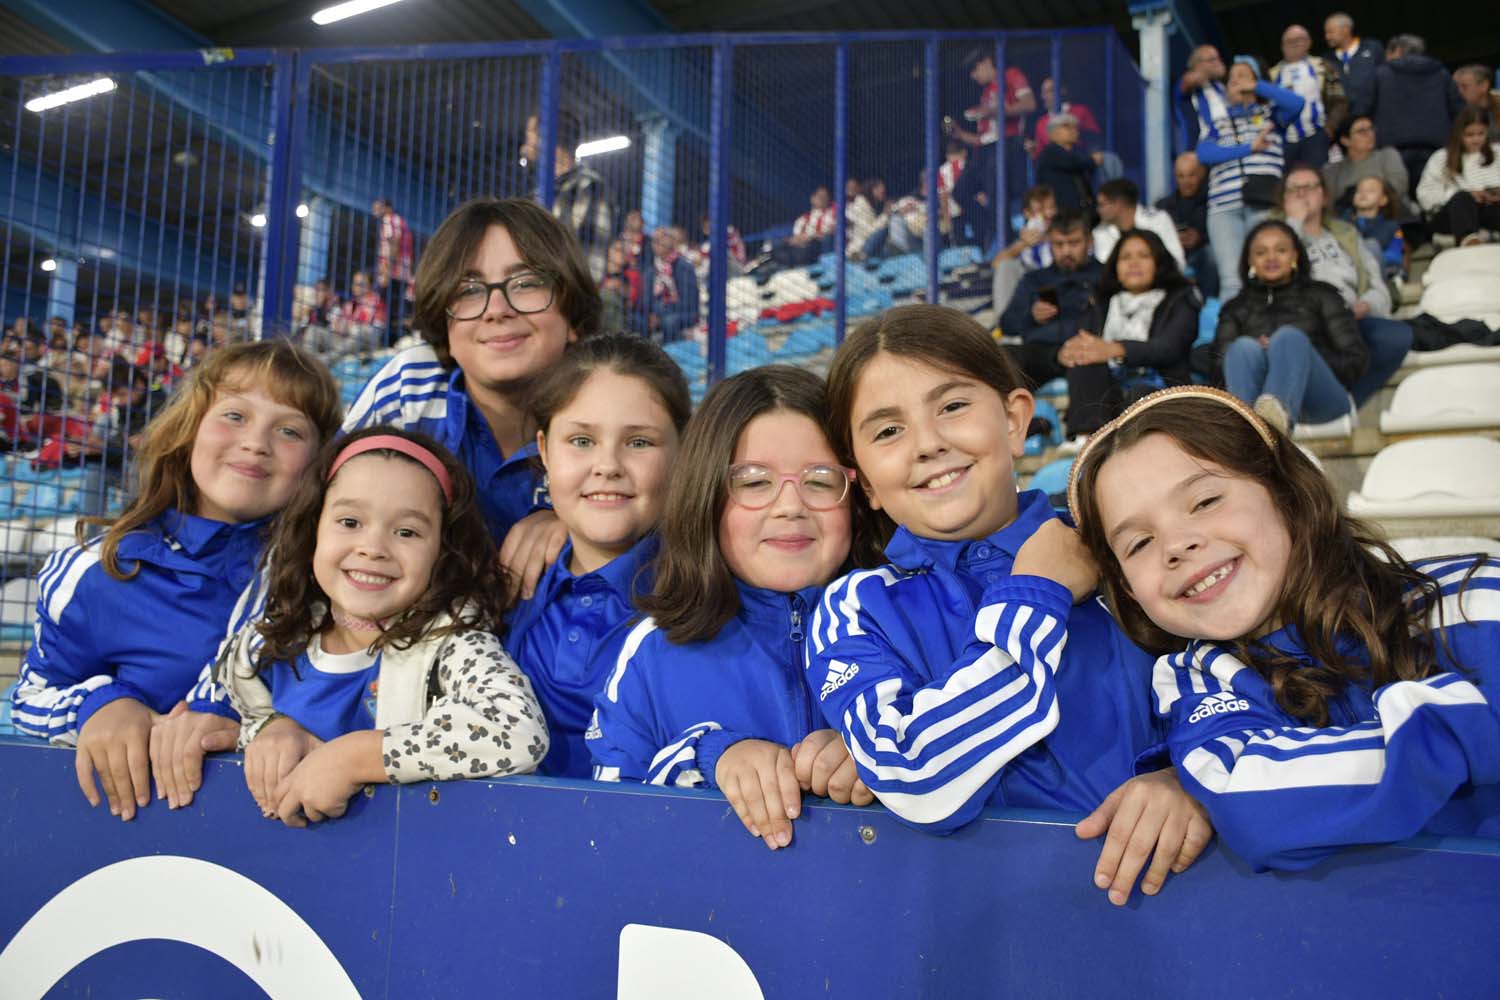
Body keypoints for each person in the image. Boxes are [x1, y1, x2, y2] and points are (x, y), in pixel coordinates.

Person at [814, 305, 1212, 906]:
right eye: (887, 431)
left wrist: (1191, 778)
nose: (928, 444)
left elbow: (1230, 686)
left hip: (1181, 912)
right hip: (983, 937)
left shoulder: (1121, 550)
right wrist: (1035, 594)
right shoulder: (856, 609)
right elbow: (915, 775)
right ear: (864, 481)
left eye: (952, 406)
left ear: (1015, 419)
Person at [1069, 386, 1500, 871]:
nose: (1176, 544)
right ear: (1127, 590)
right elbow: (1252, 798)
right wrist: (1471, 723)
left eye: (1205, 501)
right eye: (1139, 543)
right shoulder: (1199, 679)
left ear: (1288, 495)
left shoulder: (1471, 599)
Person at [8, 340, 342, 821]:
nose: (256, 442)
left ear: (317, 463)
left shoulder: (331, 577)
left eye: (289, 430)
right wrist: (99, 705)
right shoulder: (96, 569)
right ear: (190, 429)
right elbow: (29, 699)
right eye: (234, 416)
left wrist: (266, 723)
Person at [588, 366, 880, 851]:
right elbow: (603, 829)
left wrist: (889, 753)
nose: (790, 506)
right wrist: (708, 757)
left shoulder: (909, 626)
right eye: (753, 481)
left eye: (821, 480)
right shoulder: (652, 654)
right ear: (706, 496)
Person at [221, 428, 547, 827]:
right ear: (313, 529)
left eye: (406, 532)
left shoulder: (451, 645)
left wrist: (356, 757)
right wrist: (270, 729)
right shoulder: (267, 644)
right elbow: (237, 711)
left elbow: (519, 735)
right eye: (350, 521)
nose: (373, 547)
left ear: (443, 553)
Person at [341, 197, 600, 572]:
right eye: (468, 290)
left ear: (572, 312)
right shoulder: (411, 389)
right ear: (444, 324)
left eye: (526, 283)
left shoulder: (616, 400)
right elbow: (323, 529)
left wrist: (584, 525)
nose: (497, 309)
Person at [506, 335, 689, 777]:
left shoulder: (708, 598)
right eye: (582, 440)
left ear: (684, 451)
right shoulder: (506, 583)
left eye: (640, 442)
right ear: (545, 450)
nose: (608, 465)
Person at [1212, 219, 1367, 433]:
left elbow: (1355, 361)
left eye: (1281, 250)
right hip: (1254, 400)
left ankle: (1275, 421)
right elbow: (1217, 367)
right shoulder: (1235, 308)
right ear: (1249, 260)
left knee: (1288, 338)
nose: (1271, 258)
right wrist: (1265, 355)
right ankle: (1250, 433)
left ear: (1295, 255)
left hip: (1321, 401)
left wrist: (1298, 354)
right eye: (1261, 252)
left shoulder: (1322, 294)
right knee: (1242, 348)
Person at [1277, 165, 1411, 407]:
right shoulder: (1273, 237)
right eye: (1294, 189)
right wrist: (1294, 223)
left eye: (1309, 187)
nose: (1302, 194)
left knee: (1397, 335)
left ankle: (1348, 404)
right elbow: (1275, 278)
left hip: (1349, 317)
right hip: (1305, 323)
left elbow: (1376, 286)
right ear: (1284, 199)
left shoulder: (1346, 233)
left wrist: (1367, 305)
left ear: (1324, 195)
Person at [1062, 230, 1202, 434]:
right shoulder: (1100, 303)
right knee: (1084, 364)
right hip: (1108, 388)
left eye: (1143, 256)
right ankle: (1086, 440)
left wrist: (1116, 349)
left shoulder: (1181, 299)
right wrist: (1067, 352)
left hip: (1160, 387)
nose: (1133, 263)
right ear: (1115, 266)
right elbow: (1086, 343)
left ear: (1159, 262)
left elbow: (1169, 348)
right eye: (1125, 257)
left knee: (1139, 393)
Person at [1194, 56, 1305, 303]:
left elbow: (1297, 104)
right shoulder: (1217, 121)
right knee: (1232, 279)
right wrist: (1249, 148)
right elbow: (1204, 154)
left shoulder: (1271, 116)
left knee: (1269, 273)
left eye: (1244, 75)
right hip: (1223, 210)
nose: (1236, 81)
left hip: (1263, 204)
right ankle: (1233, 339)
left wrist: (1256, 87)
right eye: (1232, 77)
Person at [1000, 210, 1103, 431]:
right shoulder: (1034, 279)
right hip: (1041, 351)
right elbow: (1006, 323)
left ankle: (1083, 436)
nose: (1066, 251)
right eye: (1059, 244)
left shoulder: (1105, 277)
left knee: (1085, 359)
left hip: (1085, 348)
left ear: (1089, 241)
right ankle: (1016, 427)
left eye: (1074, 243)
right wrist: (1031, 314)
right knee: (1004, 355)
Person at [949, 50, 1035, 246]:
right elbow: (983, 138)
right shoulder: (986, 92)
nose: (974, 76)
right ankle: (988, 228)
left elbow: (1029, 104)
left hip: (1006, 147)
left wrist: (994, 111)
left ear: (987, 62)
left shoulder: (1011, 76)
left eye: (975, 69)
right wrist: (961, 135)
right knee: (960, 192)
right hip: (985, 151)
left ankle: (1006, 240)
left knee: (998, 197)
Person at [522, 111, 615, 284]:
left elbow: (590, 268)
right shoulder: (535, 196)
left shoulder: (588, 187)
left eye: (530, 136)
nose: (525, 145)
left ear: (547, 139)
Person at [1369, 34, 1466, 198]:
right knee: (1433, 197)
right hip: (1435, 148)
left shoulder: (1380, 74)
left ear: (1397, 50)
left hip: (1392, 149)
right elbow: (1459, 110)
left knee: (1396, 202)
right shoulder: (1441, 73)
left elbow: (1364, 108)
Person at [71, 358, 166, 518]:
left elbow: (140, 445)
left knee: (136, 467)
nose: (119, 401)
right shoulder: (127, 406)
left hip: (156, 474)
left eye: (122, 394)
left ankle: (132, 528)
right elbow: (125, 441)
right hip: (129, 465)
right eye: (116, 396)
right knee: (96, 469)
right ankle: (89, 535)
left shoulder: (159, 402)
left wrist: (105, 446)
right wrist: (95, 448)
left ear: (139, 385)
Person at [1416, 108, 1500, 246]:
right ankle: (1470, 241)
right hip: (1451, 215)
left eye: (1481, 134)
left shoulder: (1497, 154)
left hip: (1488, 211)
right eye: (1469, 135)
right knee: (1462, 198)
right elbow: (1425, 196)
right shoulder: (1441, 158)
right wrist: (1465, 195)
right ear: (1459, 134)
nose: (1476, 139)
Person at [1269, 24, 1338, 167]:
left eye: (1299, 39)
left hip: (1318, 135)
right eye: (1290, 41)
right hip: (1286, 142)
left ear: (1309, 42)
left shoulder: (1323, 66)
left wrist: (1330, 128)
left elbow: (1339, 100)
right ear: (1282, 46)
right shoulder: (1271, 75)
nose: (1294, 44)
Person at [1157, 152, 1218, 298]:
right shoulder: (1163, 206)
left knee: (1211, 254)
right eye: (1181, 176)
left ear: (1202, 174)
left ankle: (1210, 304)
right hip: (1174, 258)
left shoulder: (1215, 202)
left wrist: (1200, 238)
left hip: (1204, 256)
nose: (1186, 181)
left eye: (1191, 175)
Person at [1322, 115, 1412, 214]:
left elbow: (1398, 185)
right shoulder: (1332, 170)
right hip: (1346, 221)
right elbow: (1328, 204)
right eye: (1361, 131)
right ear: (1345, 140)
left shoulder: (1387, 155)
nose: (1370, 134)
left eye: (1371, 129)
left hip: (1390, 215)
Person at [991, 185, 1057, 316]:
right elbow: (996, 264)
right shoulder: (1024, 241)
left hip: (1056, 284)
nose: (1048, 214)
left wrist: (1046, 238)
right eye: (1040, 210)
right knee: (1006, 266)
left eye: (1051, 208)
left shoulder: (1064, 232)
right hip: (1029, 287)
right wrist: (1023, 245)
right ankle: (1004, 323)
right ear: (1027, 214)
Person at [1093, 178, 1186, 270]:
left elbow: (1178, 261)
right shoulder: (1099, 233)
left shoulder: (1158, 220)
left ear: (1119, 204)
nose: (1098, 210)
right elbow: (1106, 271)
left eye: (1102, 205)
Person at [1035, 113, 1102, 213]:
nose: (1073, 131)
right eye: (1066, 127)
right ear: (1052, 132)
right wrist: (1093, 160)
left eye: (1075, 127)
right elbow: (1073, 162)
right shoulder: (1051, 152)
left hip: (1084, 211)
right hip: (1063, 214)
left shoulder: (1078, 153)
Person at [372, 198, 414, 346]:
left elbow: (393, 243)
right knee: (395, 307)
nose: (374, 210)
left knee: (390, 307)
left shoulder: (389, 220)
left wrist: (386, 271)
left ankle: (389, 341)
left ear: (387, 207)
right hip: (402, 273)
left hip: (394, 273)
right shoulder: (401, 221)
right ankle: (393, 339)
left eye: (378, 206)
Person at [646, 226, 700, 343]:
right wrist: (651, 314)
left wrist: (659, 313)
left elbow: (688, 302)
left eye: (662, 238)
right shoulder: (651, 270)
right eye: (654, 240)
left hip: (683, 313)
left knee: (670, 321)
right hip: (659, 313)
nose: (657, 242)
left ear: (671, 242)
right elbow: (647, 299)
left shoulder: (683, 266)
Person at [1324, 12, 1383, 116]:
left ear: (1346, 29)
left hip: (1374, 116)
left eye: (1330, 32)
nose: (1327, 37)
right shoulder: (1327, 59)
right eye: (1326, 33)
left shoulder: (1372, 48)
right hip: (1343, 122)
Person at [1348, 176, 1406, 280]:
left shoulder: (1392, 227)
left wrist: (1369, 257)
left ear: (1383, 199)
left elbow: (1395, 255)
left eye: (1370, 191)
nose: (1363, 194)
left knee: (1372, 246)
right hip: (1351, 271)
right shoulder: (1343, 224)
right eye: (1359, 191)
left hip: (1381, 272)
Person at [1031, 77, 1101, 153]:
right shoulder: (1041, 123)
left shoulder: (1081, 112)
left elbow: (1096, 141)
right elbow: (1039, 153)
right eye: (1043, 93)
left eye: (1049, 91)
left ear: (1062, 91)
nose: (1044, 97)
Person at [1454, 65, 1500, 142]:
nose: (1458, 92)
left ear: (1484, 86)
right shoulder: (1452, 110)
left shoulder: (1497, 105)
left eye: (1464, 87)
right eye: (1455, 87)